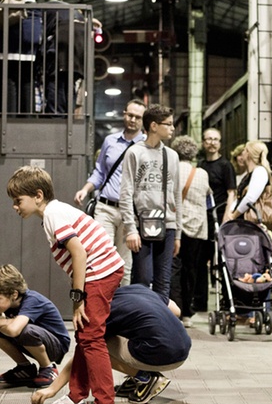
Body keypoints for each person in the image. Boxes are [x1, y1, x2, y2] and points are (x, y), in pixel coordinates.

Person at [7, 166, 124, 404]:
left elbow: (79, 253)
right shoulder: (54, 212)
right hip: (103, 270)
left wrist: (77, 297)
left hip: (100, 272)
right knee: (85, 334)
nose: (15, 207)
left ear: (38, 195)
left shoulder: (52, 215)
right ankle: (75, 397)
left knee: (91, 337)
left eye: (18, 200)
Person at [32, 284, 191, 404]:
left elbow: (84, 353)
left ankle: (146, 377)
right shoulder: (138, 288)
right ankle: (137, 377)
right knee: (124, 334)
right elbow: (176, 310)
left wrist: (52, 389)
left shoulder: (105, 310)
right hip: (183, 349)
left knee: (96, 346)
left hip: (163, 354)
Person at [74, 99, 147, 286]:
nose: (132, 120)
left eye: (138, 117)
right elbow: (100, 172)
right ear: (124, 114)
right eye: (130, 115)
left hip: (129, 212)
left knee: (124, 263)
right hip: (105, 206)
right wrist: (85, 189)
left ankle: (120, 306)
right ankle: (101, 304)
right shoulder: (110, 141)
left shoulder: (146, 146)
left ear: (143, 120)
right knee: (99, 256)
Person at [0, 264, 70, 388]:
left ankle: (48, 368)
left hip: (56, 347)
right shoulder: (4, 304)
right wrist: (4, 321)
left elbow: (13, 330)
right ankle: (25, 368)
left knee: (25, 330)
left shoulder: (32, 300)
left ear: (14, 295)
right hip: (37, 342)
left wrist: (5, 322)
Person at [119, 104, 182, 303]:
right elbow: (126, 192)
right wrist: (130, 228)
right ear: (154, 126)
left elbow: (177, 194)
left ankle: (159, 328)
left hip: (167, 223)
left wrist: (178, 233)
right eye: (169, 124)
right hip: (141, 224)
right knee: (142, 279)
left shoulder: (172, 155)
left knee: (164, 281)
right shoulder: (135, 152)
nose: (172, 128)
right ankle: (140, 326)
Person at [193, 128, 237, 313]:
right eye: (208, 139)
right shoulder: (200, 165)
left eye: (215, 139)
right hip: (202, 218)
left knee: (223, 261)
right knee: (200, 261)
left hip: (219, 218)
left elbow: (231, 192)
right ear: (203, 142)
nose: (212, 142)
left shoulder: (226, 166)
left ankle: (228, 302)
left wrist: (227, 215)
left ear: (220, 143)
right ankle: (200, 303)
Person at [169, 135, 211, 327]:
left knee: (174, 269)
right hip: (196, 227)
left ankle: (175, 310)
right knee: (191, 270)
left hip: (175, 225)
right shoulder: (202, 173)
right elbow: (207, 196)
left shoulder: (173, 169)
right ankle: (187, 313)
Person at [223, 140, 272, 224]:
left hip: (251, 224)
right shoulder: (250, 174)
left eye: (245, 150)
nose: (242, 154)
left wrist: (233, 216)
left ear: (249, 154)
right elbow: (240, 198)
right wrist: (230, 211)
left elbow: (250, 198)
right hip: (245, 222)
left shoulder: (259, 171)